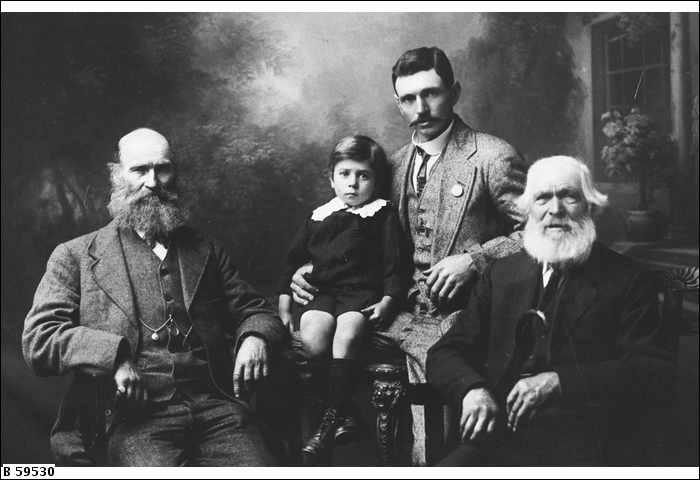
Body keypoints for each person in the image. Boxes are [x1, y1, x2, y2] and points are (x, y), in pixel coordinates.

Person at [289, 46, 526, 464]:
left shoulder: (491, 156)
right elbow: (355, 235)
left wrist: (474, 261)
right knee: (300, 343)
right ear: (398, 104)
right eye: (409, 98)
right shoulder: (390, 166)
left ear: (454, 92)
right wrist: (310, 268)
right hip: (395, 313)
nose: (421, 108)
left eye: (431, 94)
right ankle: (335, 430)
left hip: (459, 314)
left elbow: (535, 231)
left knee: (442, 439)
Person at [22, 128, 289, 466]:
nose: (152, 182)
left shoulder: (204, 249)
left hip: (217, 409)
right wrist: (114, 358)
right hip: (133, 418)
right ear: (118, 175)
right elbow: (40, 339)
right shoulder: (75, 256)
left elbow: (255, 309)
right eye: (139, 170)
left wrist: (254, 337)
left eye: (162, 169)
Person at [426, 155, 676, 466]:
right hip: (498, 440)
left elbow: (654, 371)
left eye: (569, 196)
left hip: (588, 448)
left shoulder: (630, 280)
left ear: (590, 207)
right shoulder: (501, 274)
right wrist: (472, 390)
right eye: (543, 198)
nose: (555, 210)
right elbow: (445, 352)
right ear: (529, 210)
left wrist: (560, 382)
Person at [278, 135, 405, 464]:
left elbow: (395, 264)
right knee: (312, 334)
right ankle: (344, 413)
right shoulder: (320, 216)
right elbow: (293, 260)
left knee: (347, 332)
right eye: (345, 174)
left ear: (375, 180)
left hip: (360, 293)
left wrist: (389, 299)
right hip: (323, 293)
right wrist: (284, 299)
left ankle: (328, 426)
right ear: (331, 178)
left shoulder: (382, 214)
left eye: (363, 175)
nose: (353, 183)